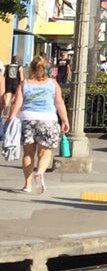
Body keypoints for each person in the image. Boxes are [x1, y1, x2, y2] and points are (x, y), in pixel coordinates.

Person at [7, 54, 69, 194]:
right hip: (48, 120)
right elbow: (59, 103)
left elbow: (17, 103)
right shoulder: (53, 83)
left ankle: (27, 185)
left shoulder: (24, 84)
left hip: (28, 120)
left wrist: (10, 119)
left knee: (28, 154)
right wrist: (65, 120)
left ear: (32, 68)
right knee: (45, 152)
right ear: (45, 68)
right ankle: (40, 173)